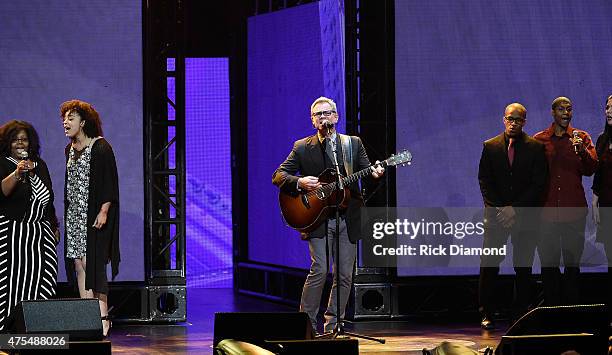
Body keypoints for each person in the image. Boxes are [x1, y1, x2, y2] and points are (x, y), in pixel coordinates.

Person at [272, 97, 384, 333]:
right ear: (313, 121)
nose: (323, 118)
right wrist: (300, 182)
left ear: (336, 117)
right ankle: (306, 325)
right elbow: (279, 176)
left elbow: (367, 168)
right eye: (318, 115)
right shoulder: (302, 147)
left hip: (347, 217)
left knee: (344, 274)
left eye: (327, 113)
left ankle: (334, 324)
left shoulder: (352, 144)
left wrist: (376, 172)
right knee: (320, 269)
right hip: (317, 218)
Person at [477, 103, 548, 329]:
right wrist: (501, 209)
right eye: (510, 119)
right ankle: (486, 311)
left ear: (524, 122)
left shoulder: (535, 147)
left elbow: (538, 184)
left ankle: (520, 311)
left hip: (524, 216)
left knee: (523, 266)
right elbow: (484, 181)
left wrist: (514, 208)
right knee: (489, 264)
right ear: (503, 119)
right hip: (496, 217)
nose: (513, 123)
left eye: (518, 120)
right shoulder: (490, 146)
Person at [61, 100, 120, 336]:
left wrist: (104, 210)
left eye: (71, 118)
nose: (65, 122)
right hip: (75, 214)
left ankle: (103, 317)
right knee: (78, 263)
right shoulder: (69, 149)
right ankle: (86, 317)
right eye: (64, 118)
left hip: (95, 214)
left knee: (93, 264)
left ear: (83, 122)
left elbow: (109, 183)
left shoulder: (101, 147)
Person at [534, 96, 597, 306]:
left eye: (569, 109)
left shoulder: (582, 138)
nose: (566, 113)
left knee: (572, 264)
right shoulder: (539, 140)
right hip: (546, 212)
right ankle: (551, 308)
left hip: (574, 212)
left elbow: (591, 169)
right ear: (553, 112)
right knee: (549, 265)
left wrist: (582, 153)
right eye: (561, 109)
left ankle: (571, 310)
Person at [0, 120, 59, 331]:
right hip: (12, 233)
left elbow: (48, 200)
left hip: (39, 233)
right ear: (7, 143)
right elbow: (2, 192)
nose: (20, 144)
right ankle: (6, 327)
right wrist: (17, 173)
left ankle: (36, 326)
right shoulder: (3, 163)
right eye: (15, 140)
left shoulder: (40, 165)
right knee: (11, 282)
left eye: (24, 139)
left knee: (41, 277)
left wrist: (53, 225)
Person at [592, 94, 612, 322]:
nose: (608, 111)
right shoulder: (602, 139)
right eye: (607, 107)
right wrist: (595, 202)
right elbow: (598, 173)